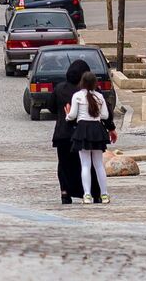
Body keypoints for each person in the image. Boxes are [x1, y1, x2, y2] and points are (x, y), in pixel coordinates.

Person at [67, 74, 115, 204]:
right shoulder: (99, 96)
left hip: (83, 129)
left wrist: (67, 115)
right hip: (97, 130)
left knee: (85, 165)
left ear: (82, 82)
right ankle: (104, 194)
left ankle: (87, 195)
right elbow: (105, 115)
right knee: (99, 165)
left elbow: (72, 115)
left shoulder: (77, 96)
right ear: (95, 83)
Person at [53, 60, 88, 204]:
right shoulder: (86, 92)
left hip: (62, 133)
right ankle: (85, 191)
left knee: (63, 164)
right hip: (81, 134)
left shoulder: (59, 88)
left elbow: (51, 106)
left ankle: (65, 192)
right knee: (82, 163)